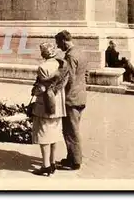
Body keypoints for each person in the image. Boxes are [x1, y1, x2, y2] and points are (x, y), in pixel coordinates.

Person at [30, 43, 69, 177]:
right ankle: (52, 163)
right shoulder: (62, 65)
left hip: (45, 105)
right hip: (59, 104)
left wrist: (34, 91)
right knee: (55, 133)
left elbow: (43, 88)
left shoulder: (42, 67)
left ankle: (45, 165)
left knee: (44, 134)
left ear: (44, 53)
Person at [54, 30, 86, 171]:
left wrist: (56, 90)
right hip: (80, 96)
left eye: (58, 43)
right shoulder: (80, 52)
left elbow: (70, 79)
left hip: (71, 99)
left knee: (70, 130)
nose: (58, 47)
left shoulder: (70, 56)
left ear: (63, 41)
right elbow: (86, 74)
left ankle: (75, 162)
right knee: (72, 128)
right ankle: (71, 156)